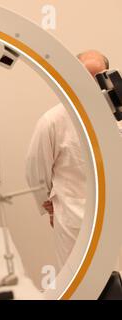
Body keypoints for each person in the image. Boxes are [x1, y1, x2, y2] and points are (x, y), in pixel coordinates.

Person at [26, 50, 109, 267]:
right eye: (85, 76)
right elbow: (36, 171)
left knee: (109, 280)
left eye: (97, 77)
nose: (91, 84)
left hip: (111, 216)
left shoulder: (116, 118)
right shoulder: (53, 121)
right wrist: (48, 205)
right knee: (77, 281)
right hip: (72, 218)